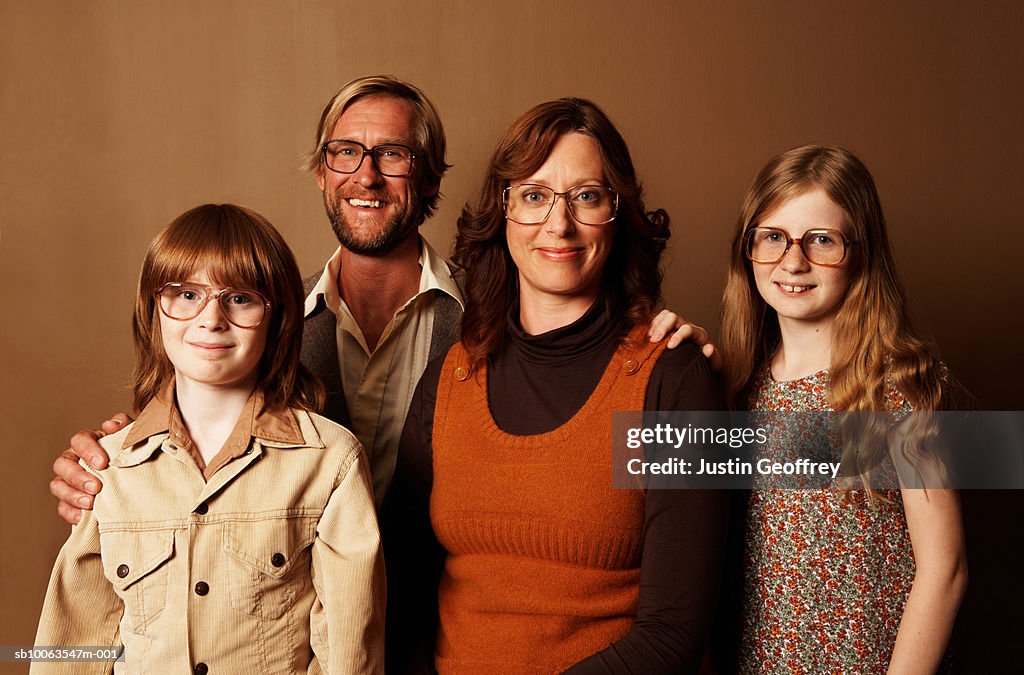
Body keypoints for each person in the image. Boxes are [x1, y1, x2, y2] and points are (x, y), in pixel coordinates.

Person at [49, 76, 703, 519]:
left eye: (393, 154)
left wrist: (691, 369)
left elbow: (684, 471)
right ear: (320, 173)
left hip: (434, 627)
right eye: (345, 153)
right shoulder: (257, 321)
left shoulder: (510, 316)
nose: (366, 174)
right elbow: (195, 427)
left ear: (427, 178)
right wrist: (116, 460)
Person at [382, 98, 729, 673]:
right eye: (535, 195)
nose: (558, 223)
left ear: (619, 214)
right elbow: (403, 590)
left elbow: (674, 633)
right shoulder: (452, 376)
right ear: (505, 211)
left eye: (586, 197)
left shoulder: (671, 377)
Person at [33, 204, 384, 673]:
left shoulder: (330, 461)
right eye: (186, 294)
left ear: (277, 316)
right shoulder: (108, 467)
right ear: (153, 309)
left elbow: (349, 647)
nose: (211, 318)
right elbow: (73, 643)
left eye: (240, 298)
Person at [719, 145, 968, 672]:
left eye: (822, 240)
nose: (793, 261)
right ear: (749, 248)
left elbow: (945, 567)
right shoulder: (739, 387)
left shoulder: (897, 387)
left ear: (861, 251)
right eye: (773, 237)